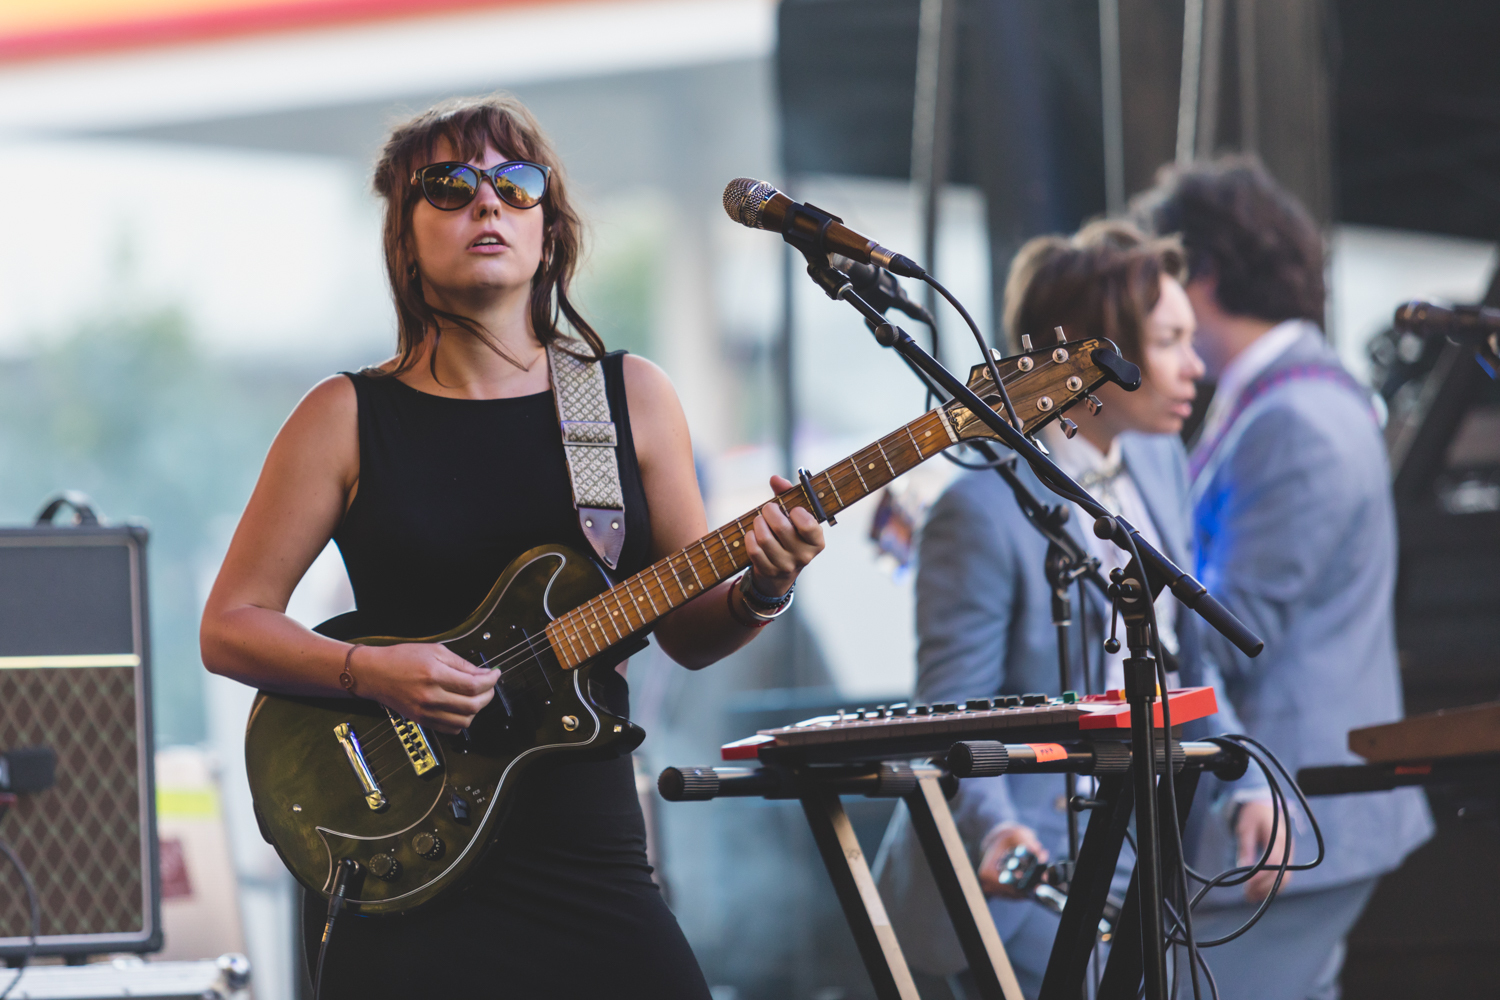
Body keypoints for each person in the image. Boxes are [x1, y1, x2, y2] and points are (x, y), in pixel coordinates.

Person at [198, 94, 825, 999]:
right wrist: (370, 672)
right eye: (449, 188)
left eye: (514, 185)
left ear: (548, 228)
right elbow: (230, 626)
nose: (486, 204)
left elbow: (689, 633)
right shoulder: (343, 417)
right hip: (403, 846)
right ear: (406, 242)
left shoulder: (626, 399)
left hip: (585, 848)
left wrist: (765, 589)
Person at [874, 220, 1252, 998]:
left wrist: (1244, 778)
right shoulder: (978, 510)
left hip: (1139, 856)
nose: (1195, 364)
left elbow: (1190, 655)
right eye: (1170, 340)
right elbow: (951, 712)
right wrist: (999, 831)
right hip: (1015, 874)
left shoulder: (1156, 459)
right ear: (1092, 350)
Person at [1136, 157, 1433, 1000]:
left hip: (1281, 809)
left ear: (1203, 274)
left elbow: (1227, 629)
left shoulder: (1292, 418)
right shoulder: (1297, 398)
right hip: (1296, 804)